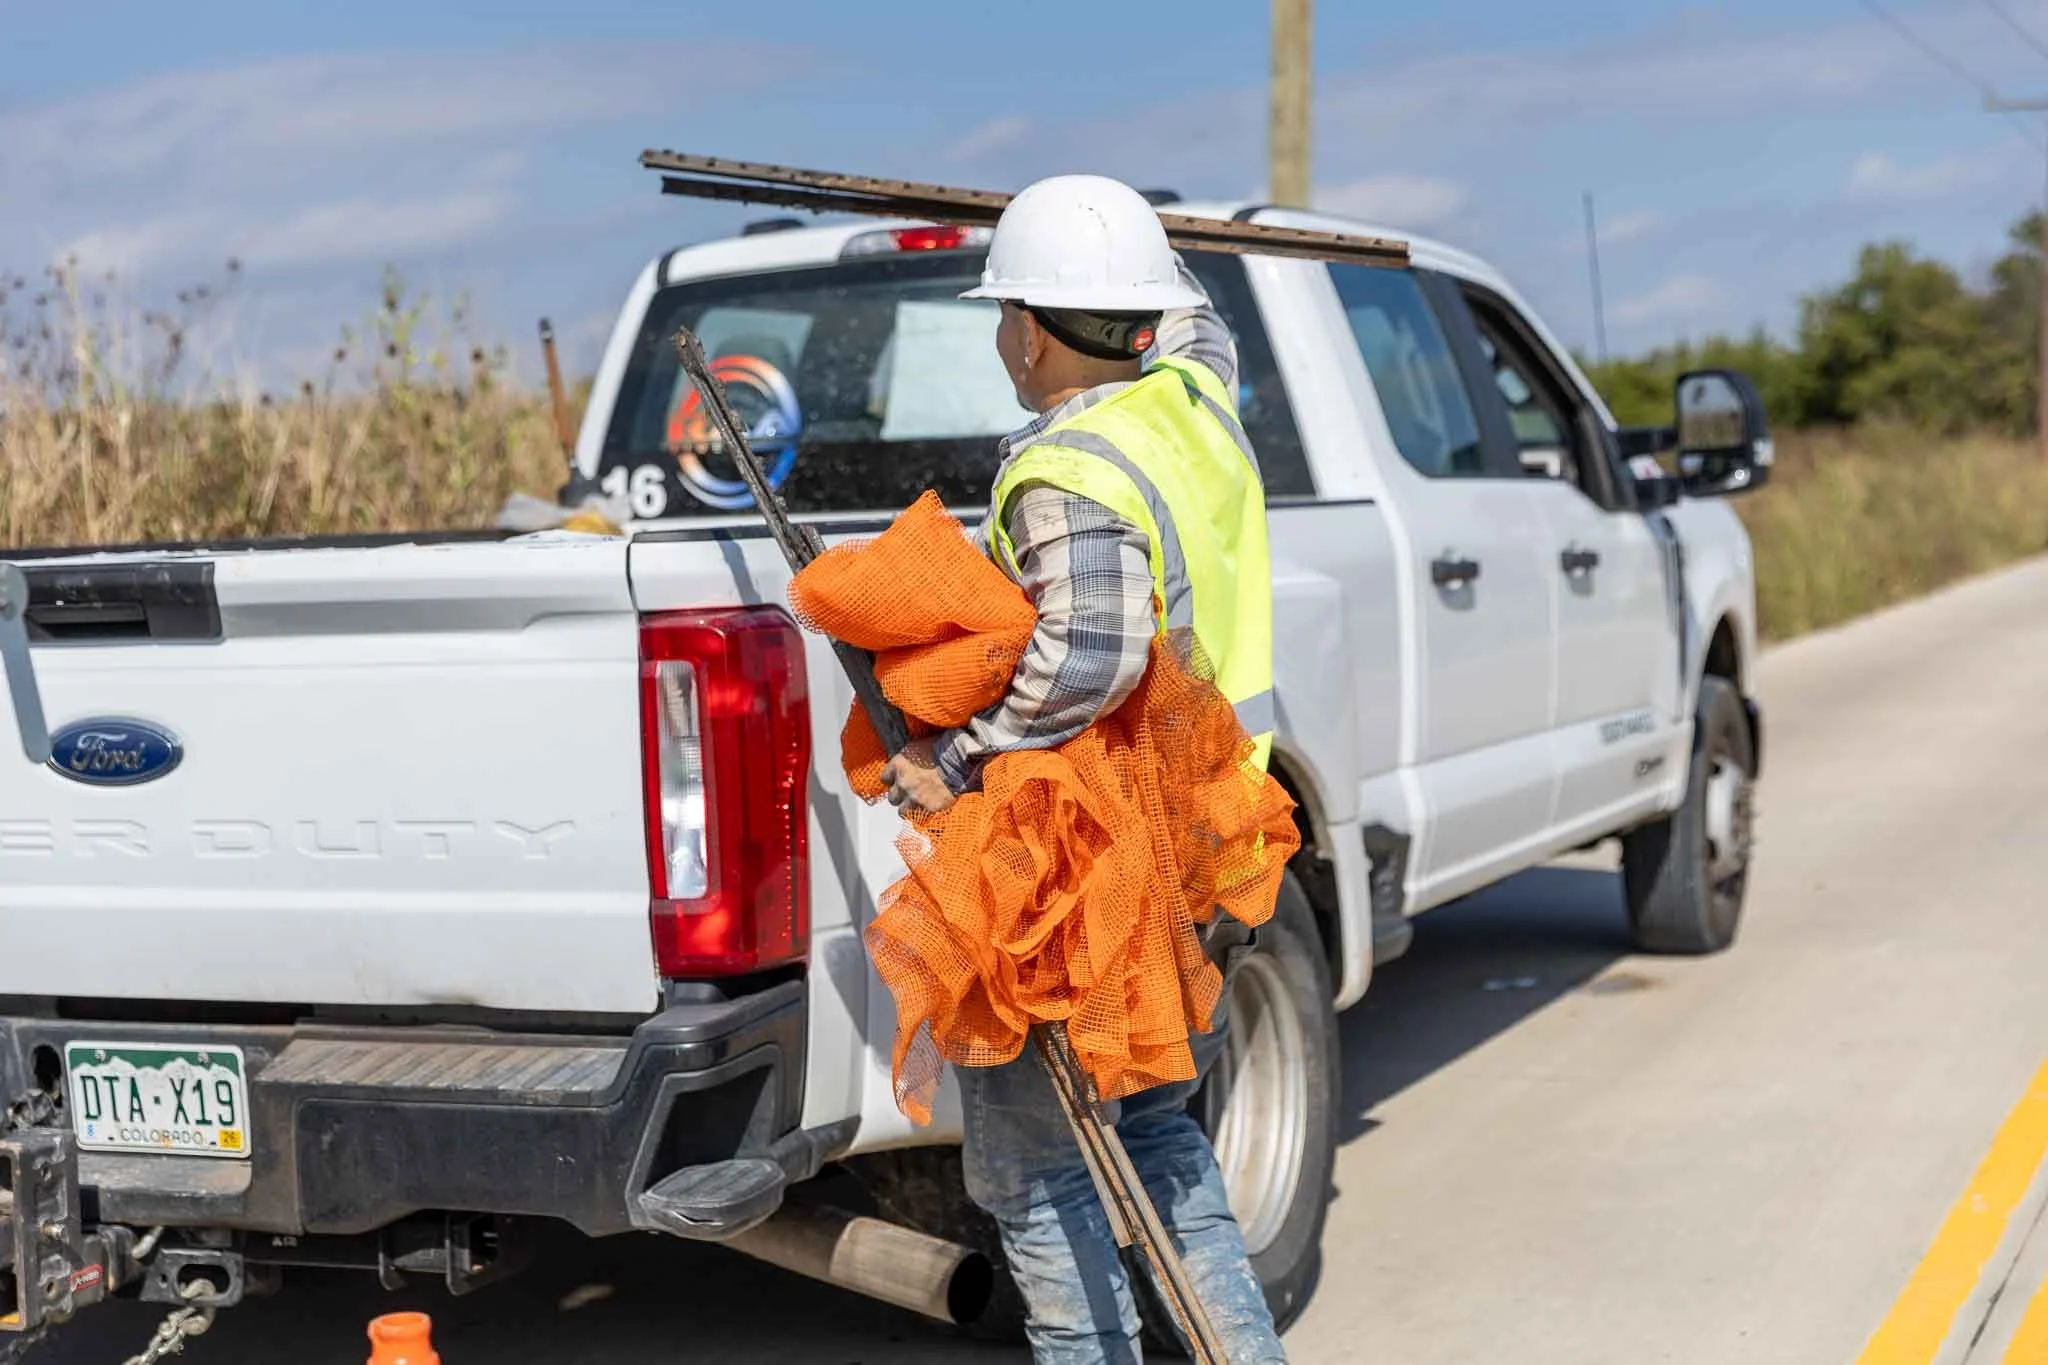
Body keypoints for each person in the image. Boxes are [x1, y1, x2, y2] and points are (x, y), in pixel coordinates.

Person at [879, 174, 1287, 1365]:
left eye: (1006, 310)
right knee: (1159, 1144)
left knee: (1036, 1179)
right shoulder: (1195, 400)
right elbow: (1196, 321)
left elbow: (1086, 660)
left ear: (1025, 328)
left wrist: (950, 761)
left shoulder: (1072, 470)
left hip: (1094, 883)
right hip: (1209, 845)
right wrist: (1131, 226)